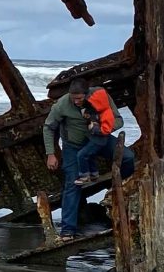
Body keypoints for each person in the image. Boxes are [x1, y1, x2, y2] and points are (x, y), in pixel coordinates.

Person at [45, 80, 130, 237]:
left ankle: (122, 192)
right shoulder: (62, 105)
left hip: (98, 140)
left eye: (79, 98)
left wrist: (103, 128)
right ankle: (68, 230)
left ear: (87, 94)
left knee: (128, 158)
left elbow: (118, 120)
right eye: (73, 98)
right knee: (72, 183)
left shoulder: (100, 97)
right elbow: (49, 127)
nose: (76, 101)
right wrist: (51, 153)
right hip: (73, 145)